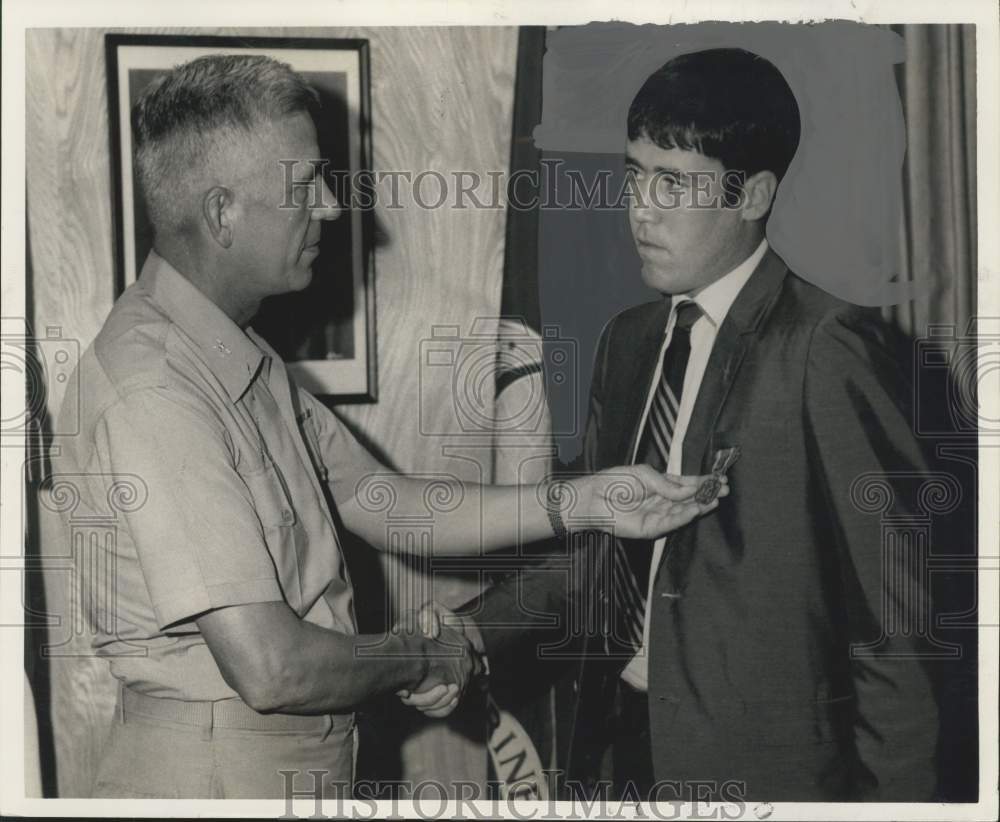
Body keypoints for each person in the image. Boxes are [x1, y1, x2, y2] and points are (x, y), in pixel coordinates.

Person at [52, 54, 721, 800]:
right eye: (305, 185)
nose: (331, 207)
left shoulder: (226, 351)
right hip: (216, 778)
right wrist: (420, 656)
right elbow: (272, 667)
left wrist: (590, 500)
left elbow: (385, 501)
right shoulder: (158, 390)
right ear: (221, 214)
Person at [414, 48, 940, 802]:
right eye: (635, 175)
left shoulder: (829, 348)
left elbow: (900, 634)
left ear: (751, 195)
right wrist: (475, 631)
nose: (641, 209)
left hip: (769, 777)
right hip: (616, 754)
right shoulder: (627, 343)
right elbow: (599, 558)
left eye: (673, 183)